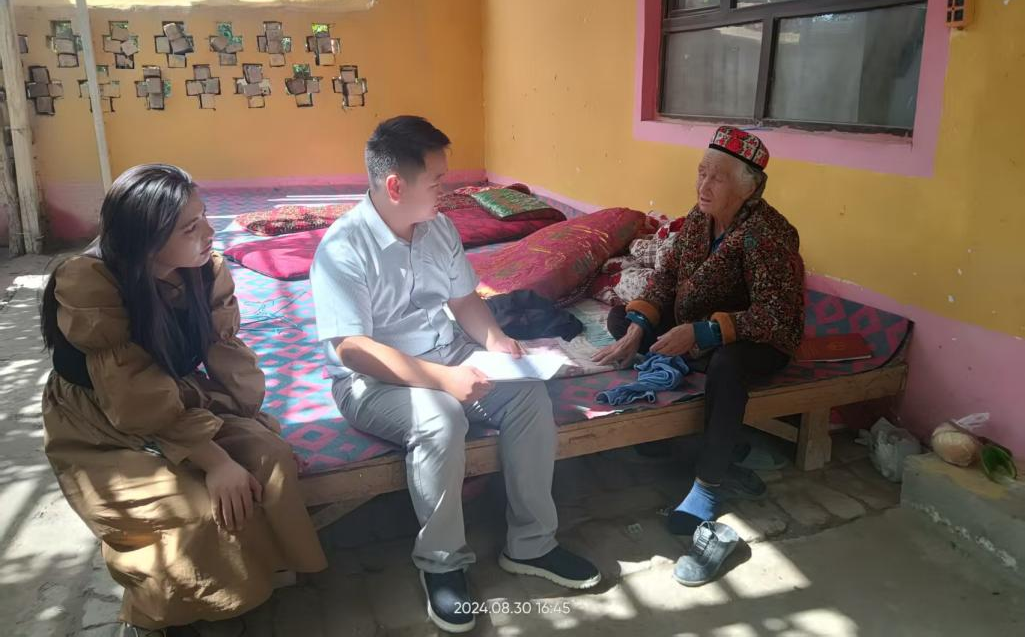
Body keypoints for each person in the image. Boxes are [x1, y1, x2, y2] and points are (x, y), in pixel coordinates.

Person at [311, 116, 600, 634]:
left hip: (448, 353)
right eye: (437, 181)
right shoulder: (342, 248)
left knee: (528, 394)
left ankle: (532, 544)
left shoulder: (438, 228)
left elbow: (465, 301)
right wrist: (444, 381)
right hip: (371, 380)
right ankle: (442, 563)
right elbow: (352, 349)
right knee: (440, 417)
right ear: (395, 186)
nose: (447, 190)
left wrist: (495, 341)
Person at [40, 164, 327, 636]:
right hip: (99, 416)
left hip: (173, 395)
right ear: (145, 240)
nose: (209, 233)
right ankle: (161, 615)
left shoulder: (205, 271)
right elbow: (131, 393)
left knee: (270, 457)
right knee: (192, 507)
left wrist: (250, 423)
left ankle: (252, 580)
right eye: (190, 227)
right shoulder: (90, 282)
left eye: (204, 216)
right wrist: (215, 460)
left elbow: (225, 356)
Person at [594, 126, 805, 538]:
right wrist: (639, 328)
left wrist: (702, 334)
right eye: (701, 172)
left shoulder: (767, 234)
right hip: (699, 325)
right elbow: (667, 276)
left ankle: (708, 484)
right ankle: (677, 417)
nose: (703, 186)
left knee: (727, 366)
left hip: (758, 339)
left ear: (749, 188)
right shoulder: (699, 218)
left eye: (718, 178)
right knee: (622, 319)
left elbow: (776, 314)